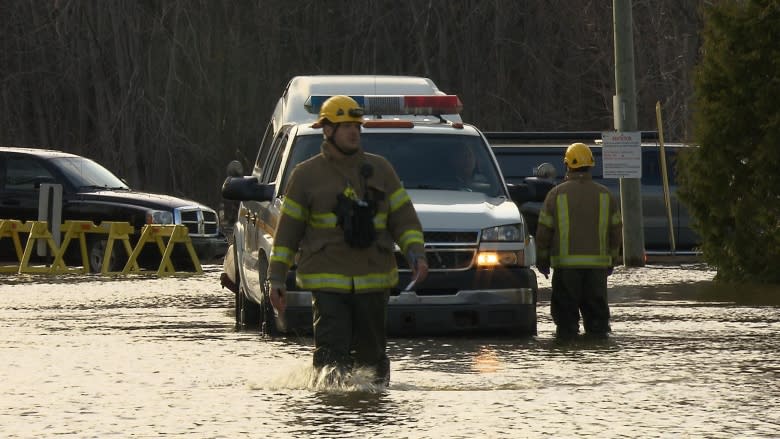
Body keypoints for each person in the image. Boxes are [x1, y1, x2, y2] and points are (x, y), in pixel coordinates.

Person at [267, 95, 428, 385]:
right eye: (345, 126)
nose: (354, 131)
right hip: (328, 282)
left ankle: (373, 410)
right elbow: (287, 233)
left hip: (373, 278)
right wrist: (276, 279)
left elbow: (403, 218)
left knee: (373, 357)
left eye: (357, 126)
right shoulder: (306, 176)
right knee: (331, 356)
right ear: (327, 130)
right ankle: (332, 413)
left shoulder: (381, 170)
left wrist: (416, 253)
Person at [534, 142, 622, 339]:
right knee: (598, 325)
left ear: (567, 166)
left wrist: (542, 261)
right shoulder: (606, 195)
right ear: (591, 165)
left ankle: (569, 355)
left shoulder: (555, 195)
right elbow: (616, 232)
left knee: (566, 325)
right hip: (597, 271)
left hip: (566, 271)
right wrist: (612, 260)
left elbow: (543, 233)